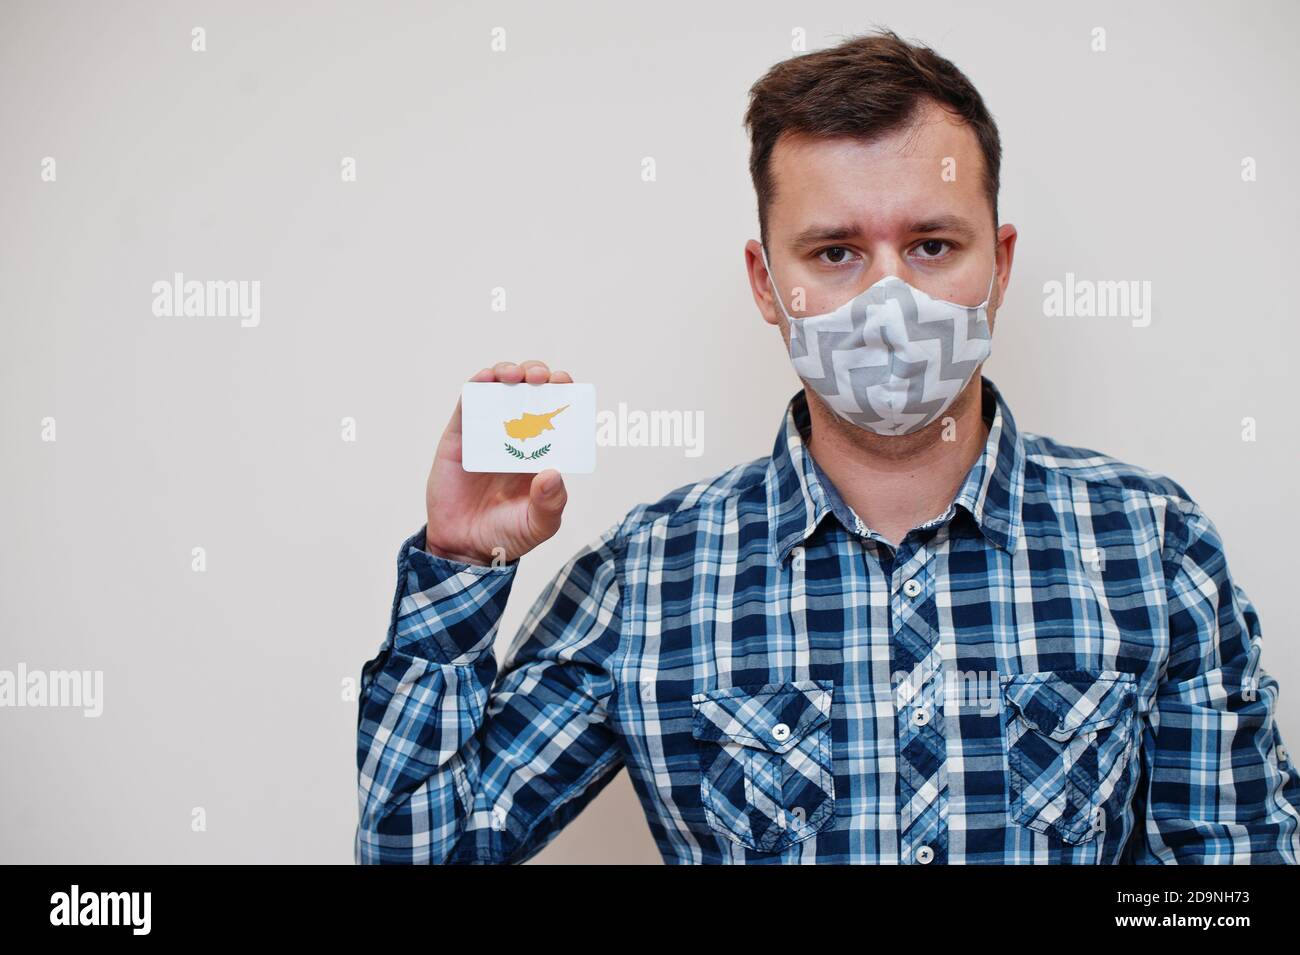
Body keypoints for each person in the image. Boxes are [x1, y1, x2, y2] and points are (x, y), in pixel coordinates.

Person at [354, 28, 1300, 864]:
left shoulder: (1153, 544)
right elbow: (417, 851)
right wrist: (460, 566)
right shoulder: (647, 579)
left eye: (932, 244)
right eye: (836, 252)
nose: (890, 299)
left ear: (999, 264)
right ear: (768, 284)